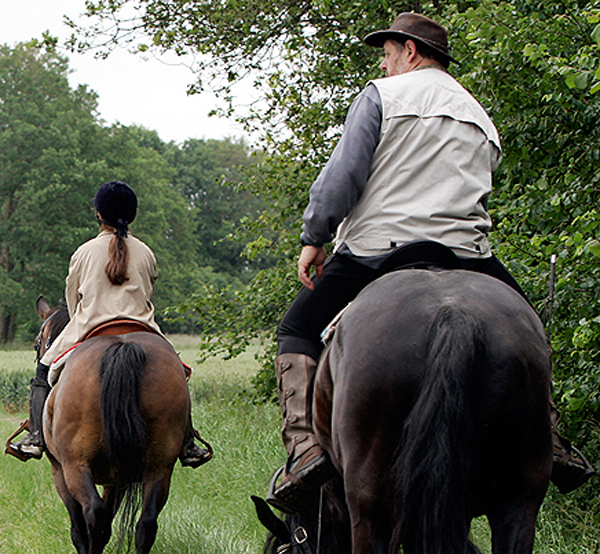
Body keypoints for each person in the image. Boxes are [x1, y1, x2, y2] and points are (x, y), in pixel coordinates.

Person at [267, 11, 593, 513]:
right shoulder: (479, 115)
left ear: (410, 51)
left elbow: (343, 176)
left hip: (379, 251)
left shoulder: (381, 95)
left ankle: (305, 449)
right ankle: (547, 437)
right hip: (467, 254)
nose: (385, 64)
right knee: (529, 328)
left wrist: (315, 235)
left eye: (387, 54)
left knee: (296, 328)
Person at [9, 180, 211, 468]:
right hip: (142, 326)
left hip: (91, 325)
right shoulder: (146, 252)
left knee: (43, 367)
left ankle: (36, 437)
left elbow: (73, 300)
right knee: (174, 370)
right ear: (132, 215)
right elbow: (148, 291)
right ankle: (187, 443)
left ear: (99, 214)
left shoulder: (84, 252)